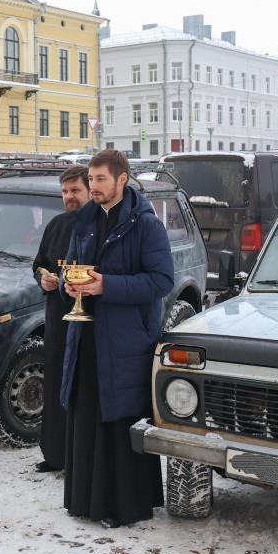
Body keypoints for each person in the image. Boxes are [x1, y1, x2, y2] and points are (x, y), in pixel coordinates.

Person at [60, 149, 174, 528]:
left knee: (117, 422)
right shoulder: (85, 221)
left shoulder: (146, 225)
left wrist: (107, 286)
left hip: (126, 341)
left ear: (122, 180)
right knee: (88, 414)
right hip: (86, 336)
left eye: (100, 180)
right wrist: (67, 283)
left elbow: (160, 281)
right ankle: (85, 502)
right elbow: (72, 268)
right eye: (90, 180)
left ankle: (123, 506)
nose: (93, 187)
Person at [31, 166, 91, 473]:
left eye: (75, 191)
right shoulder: (56, 224)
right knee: (55, 382)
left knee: (80, 387)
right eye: (65, 192)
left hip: (87, 322)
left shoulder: (97, 225)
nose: (69, 197)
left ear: (90, 190)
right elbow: (39, 264)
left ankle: (79, 457)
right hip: (56, 317)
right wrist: (43, 278)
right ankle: (55, 453)